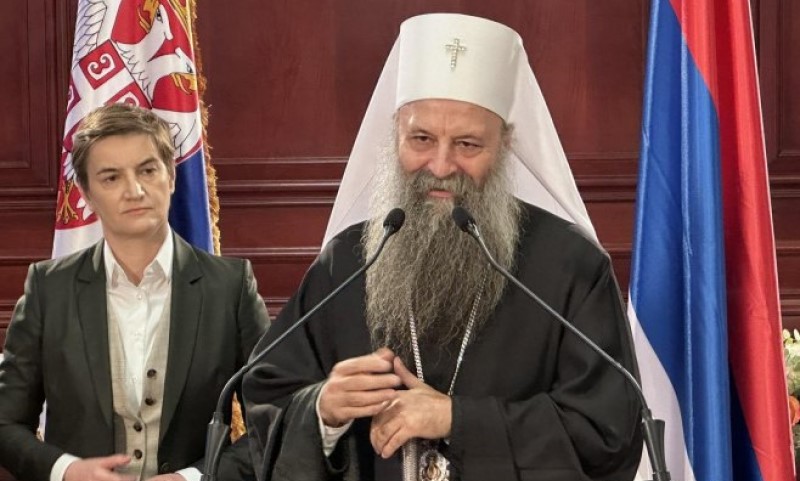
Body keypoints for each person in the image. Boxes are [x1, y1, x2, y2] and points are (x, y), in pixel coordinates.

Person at [243, 13, 642, 481]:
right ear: (395, 136)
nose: (440, 165)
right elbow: (267, 399)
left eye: (468, 144)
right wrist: (323, 412)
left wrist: (458, 420)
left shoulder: (571, 266)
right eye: (421, 139)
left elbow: (607, 433)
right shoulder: (349, 262)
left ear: (505, 147)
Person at [0, 103, 270, 481]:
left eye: (147, 170)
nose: (135, 190)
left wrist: (193, 478)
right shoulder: (49, 288)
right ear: (86, 194)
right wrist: (67, 471)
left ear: (171, 176)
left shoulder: (231, 286)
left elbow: (276, 418)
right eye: (111, 177)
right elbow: (6, 424)